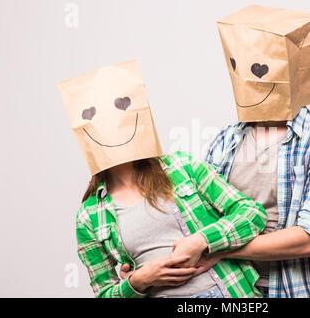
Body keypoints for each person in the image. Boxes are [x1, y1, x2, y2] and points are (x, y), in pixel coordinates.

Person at [180, 6, 310, 298]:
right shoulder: (225, 140)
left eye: (261, 68)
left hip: (290, 290)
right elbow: (198, 218)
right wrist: (141, 262)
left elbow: (308, 240)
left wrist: (220, 249)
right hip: (226, 290)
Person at [58, 60, 267, 298]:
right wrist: (138, 281)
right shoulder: (89, 216)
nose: (113, 126)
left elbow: (252, 213)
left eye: (121, 108)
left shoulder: (182, 167)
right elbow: (104, 292)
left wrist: (202, 240)